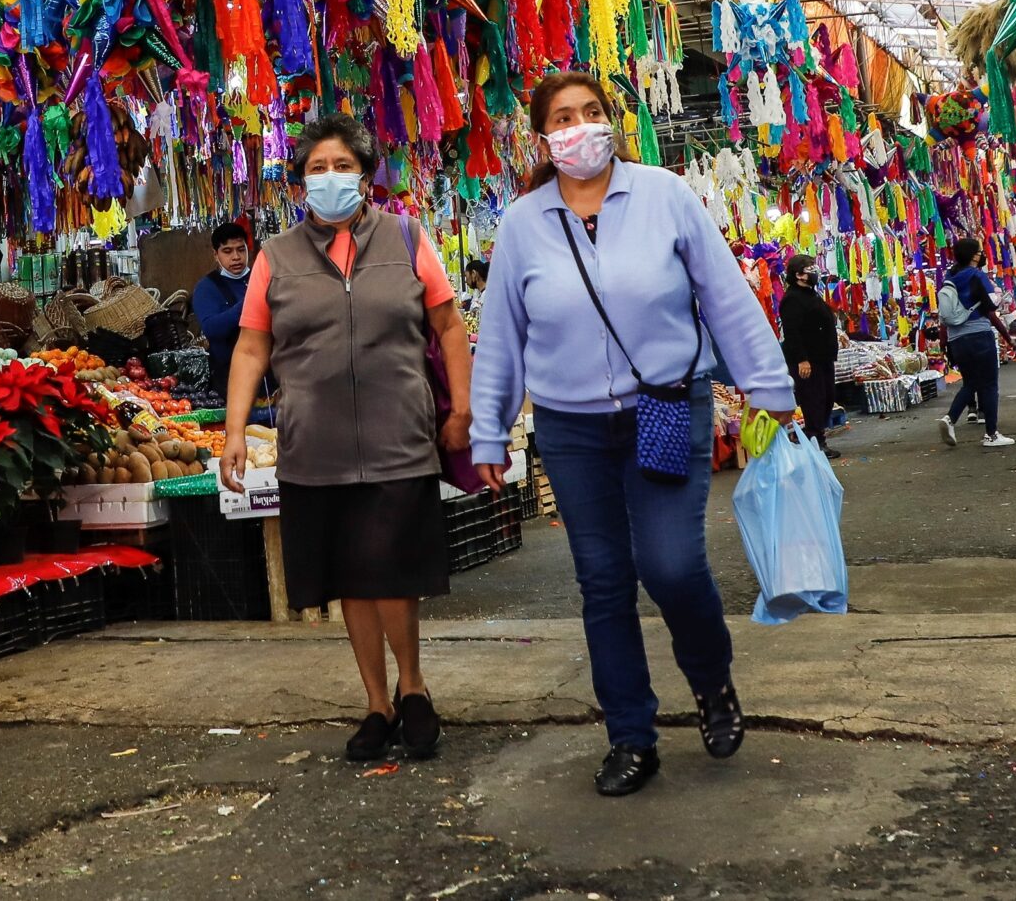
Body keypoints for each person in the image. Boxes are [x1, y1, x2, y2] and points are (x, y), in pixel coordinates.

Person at [471, 71, 798, 798]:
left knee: (673, 563)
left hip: (661, 406)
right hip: (571, 427)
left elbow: (726, 296)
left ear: (611, 121)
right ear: (542, 135)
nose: (579, 126)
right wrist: (488, 433)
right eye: (563, 116)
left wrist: (772, 392)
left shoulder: (664, 195)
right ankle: (630, 734)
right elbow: (501, 334)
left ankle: (712, 683)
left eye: (591, 112)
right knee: (604, 581)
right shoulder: (525, 222)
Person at [219, 117, 469, 764]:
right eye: (316, 167)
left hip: (400, 435)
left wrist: (463, 407)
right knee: (350, 575)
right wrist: (234, 431)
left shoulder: (407, 235)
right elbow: (251, 346)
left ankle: (413, 689)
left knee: (392, 568)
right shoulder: (275, 254)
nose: (329, 177)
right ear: (300, 180)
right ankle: (376, 704)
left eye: (341, 164)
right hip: (316, 442)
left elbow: (447, 325)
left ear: (364, 171)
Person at [936, 238, 1015, 449]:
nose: (982, 254)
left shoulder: (949, 278)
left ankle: (950, 418)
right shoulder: (977, 275)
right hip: (979, 335)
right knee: (989, 384)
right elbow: (991, 304)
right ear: (973, 255)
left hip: (957, 340)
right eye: (980, 251)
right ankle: (991, 434)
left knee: (971, 383)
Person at [779, 258, 840, 457]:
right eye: (810, 269)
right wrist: (801, 360)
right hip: (808, 361)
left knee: (827, 398)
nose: (815, 272)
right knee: (813, 399)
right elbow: (792, 332)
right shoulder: (792, 299)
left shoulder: (811, 294)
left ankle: (814, 436)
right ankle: (816, 441)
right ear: (798, 274)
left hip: (823, 358)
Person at [189, 222, 253, 397]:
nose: (236, 257)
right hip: (230, 377)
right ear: (216, 255)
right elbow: (211, 328)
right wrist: (247, 305)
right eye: (227, 251)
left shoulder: (261, 279)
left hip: (268, 374)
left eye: (241, 249)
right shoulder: (206, 288)